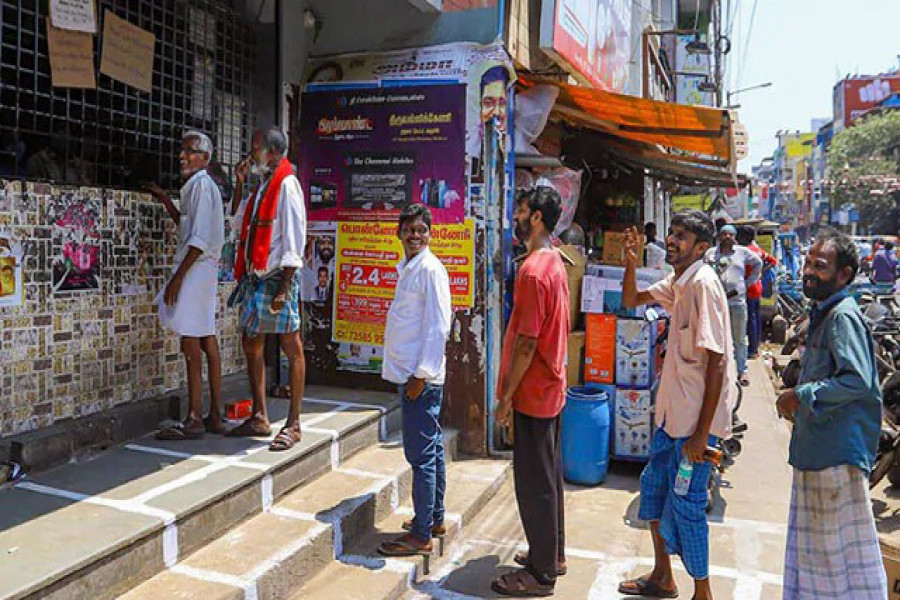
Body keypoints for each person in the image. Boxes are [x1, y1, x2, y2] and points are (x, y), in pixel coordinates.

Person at [617, 210, 736, 600]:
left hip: (695, 427)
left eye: (682, 236)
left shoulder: (703, 285)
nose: (671, 240)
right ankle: (663, 577)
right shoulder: (679, 282)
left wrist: (702, 436)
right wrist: (631, 263)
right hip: (672, 418)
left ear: (701, 248)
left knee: (687, 506)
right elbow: (632, 299)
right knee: (652, 489)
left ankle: (703, 592)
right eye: (671, 233)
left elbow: (718, 362)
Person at [776, 229, 886, 600]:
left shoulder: (842, 317)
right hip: (819, 451)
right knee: (819, 559)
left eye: (819, 266)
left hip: (835, 456)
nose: (808, 271)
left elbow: (858, 381)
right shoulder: (825, 313)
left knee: (835, 562)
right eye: (808, 263)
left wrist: (801, 395)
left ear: (844, 274)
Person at [491, 186, 570, 598]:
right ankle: (551, 554)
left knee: (535, 483)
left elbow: (526, 342)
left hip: (535, 390)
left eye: (521, 211)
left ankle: (541, 574)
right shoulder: (554, 260)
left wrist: (506, 397)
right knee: (549, 475)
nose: (516, 218)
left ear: (536, 217)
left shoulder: (534, 270)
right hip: (551, 386)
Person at [377, 204, 452, 558]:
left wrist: (420, 376)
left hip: (419, 379)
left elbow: (438, 326)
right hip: (413, 375)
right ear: (399, 233)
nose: (415, 235)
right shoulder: (409, 268)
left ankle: (421, 535)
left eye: (421, 230)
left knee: (420, 456)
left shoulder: (430, 270)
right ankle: (433, 519)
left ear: (430, 234)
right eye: (409, 229)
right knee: (431, 449)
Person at [226, 128, 307, 451]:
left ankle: (294, 424)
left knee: (290, 344)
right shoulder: (262, 186)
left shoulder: (287, 185)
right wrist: (239, 183)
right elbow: (238, 222)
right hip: (256, 277)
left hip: (277, 277)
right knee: (251, 341)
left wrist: (285, 287)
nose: (251, 152)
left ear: (271, 152)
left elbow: (294, 237)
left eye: (256, 148)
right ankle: (259, 416)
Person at [147, 131, 225, 440]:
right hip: (201, 269)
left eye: (190, 151)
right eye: (183, 150)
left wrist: (177, 279)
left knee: (191, 342)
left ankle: (195, 418)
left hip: (196, 268)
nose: (183, 156)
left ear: (205, 158)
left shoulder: (203, 185)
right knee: (205, 337)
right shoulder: (197, 186)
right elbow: (187, 225)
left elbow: (199, 239)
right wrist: (166, 200)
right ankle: (214, 415)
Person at [706, 224, 761, 386]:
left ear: (735, 237)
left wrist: (748, 282)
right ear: (719, 236)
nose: (728, 237)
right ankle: (721, 371)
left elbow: (758, 263)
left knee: (739, 338)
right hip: (716, 302)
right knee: (717, 337)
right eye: (724, 234)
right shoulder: (711, 254)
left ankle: (742, 370)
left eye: (731, 234)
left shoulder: (742, 252)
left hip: (737, 301)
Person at [736, 226, 777, 359]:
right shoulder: (757, 250)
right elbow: (773, 261)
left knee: (749, 319)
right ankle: (755, 347)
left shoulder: (744, 251)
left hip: (747, 288)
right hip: (757, 287)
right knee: (755, 317)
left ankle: (751, 350)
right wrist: (761, 272)